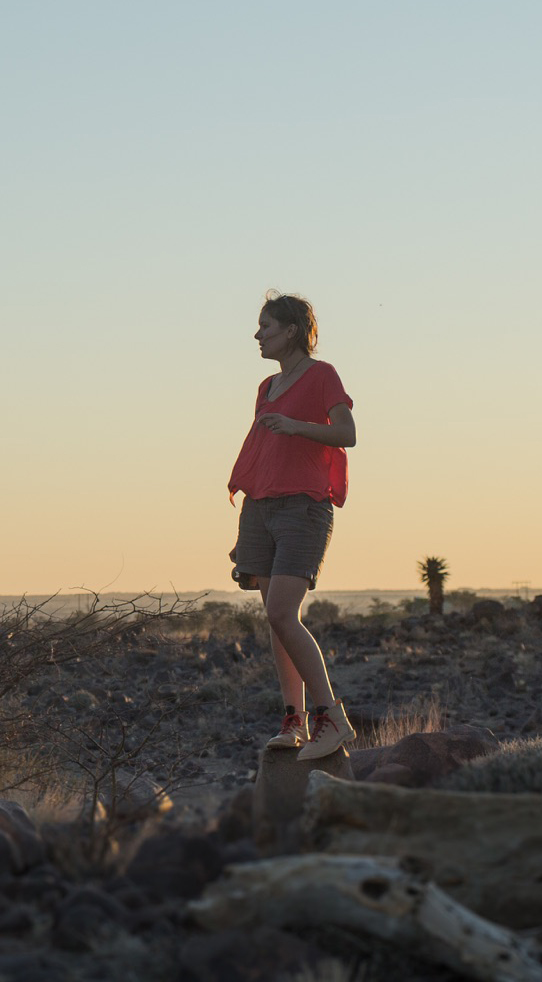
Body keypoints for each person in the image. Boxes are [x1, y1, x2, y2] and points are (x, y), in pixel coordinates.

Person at [227, 291, 358, 760]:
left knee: (283, 612)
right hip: (260, 509)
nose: (257, 335)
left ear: (291, 331)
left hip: (304, 509)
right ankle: (293, 720)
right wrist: (245, 531)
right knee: (275, 620)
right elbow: (263, 452)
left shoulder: (322, 376)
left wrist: (297, 425)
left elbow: (348, 434)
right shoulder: (266, 387)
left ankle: (331, 718)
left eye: (265, 326)